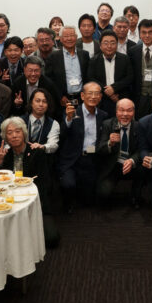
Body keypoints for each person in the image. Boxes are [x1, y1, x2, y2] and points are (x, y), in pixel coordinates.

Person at [0, 117, 60, 247]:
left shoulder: (37, 153)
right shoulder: (6, 155)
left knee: (52, 239)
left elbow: (45, 184)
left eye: (17, 131)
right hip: (10, 201)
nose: (14, 135)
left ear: (24, 133)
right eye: (10, 133)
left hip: (34, 201)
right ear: (6, 137)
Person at [56, 82, 106, 212]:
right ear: (82, 96)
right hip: (73, 159)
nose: (93, 96)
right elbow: (61, 135)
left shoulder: (103, 116)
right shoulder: (72, 112)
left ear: (100, 97)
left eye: (96, 94)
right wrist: (68, 119)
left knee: (89, 201)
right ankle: (68, 201)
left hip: (91, 159)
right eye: (90, 93)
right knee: (68, 185)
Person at [95, 98, 142, 208]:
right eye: (121, 110)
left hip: (131, 165)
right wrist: (109, 143)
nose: (125, 114)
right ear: (116, 112)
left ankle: (136, 196)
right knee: (103, 194)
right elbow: (100, 149)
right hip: (113, 166)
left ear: (133, 112)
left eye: (129, 110)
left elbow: (141, 149)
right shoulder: (107, 125)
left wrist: (132, 160)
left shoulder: (139, 126)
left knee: (143, 167)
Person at [87, 30, 133, 117]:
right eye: (105, 43)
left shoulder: (125, 59)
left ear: (117, 45)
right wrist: (107, 91)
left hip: (120, 98)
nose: (109, 46)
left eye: (112, 43)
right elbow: (91, 78)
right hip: (101, 100)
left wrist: (114, 88)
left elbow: (129, 77)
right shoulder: (94, 61)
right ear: (100, 46)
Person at [47, 25, 90, 105]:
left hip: (82, 98)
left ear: (76, 37)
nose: (69, 39)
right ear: (60, 38)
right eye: (66, 36)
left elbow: (88, 76)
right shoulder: (53, 57)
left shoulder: (84, 55)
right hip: (63, 99)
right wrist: (60, 96)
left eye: (72, 36)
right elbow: (50, 80)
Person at [11, 56, 63, 120]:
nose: (33, 74)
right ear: (24, 70)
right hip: (23, 119)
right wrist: (17, 105)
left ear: (40, 71)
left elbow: (55, 108)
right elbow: (13, 110)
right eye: (30, 70)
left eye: (36, 71)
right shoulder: (18, 83)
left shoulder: (48, 85)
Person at [23, 88, 61, 156]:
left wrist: (43, 146)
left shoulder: (53, 124)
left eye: (44, 101)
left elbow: (53, 145)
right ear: (31, 103)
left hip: (42, 159)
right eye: (37, 101)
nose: (41, 104)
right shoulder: (20, 121)